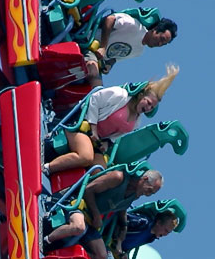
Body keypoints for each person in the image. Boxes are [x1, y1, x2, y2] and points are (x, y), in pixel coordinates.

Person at [44, 65, 179, 176]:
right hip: (80, 126)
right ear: (141, 95)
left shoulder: (136, 121)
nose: (148, 108)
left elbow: (115, 137)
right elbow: (94, 99)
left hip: (96, 141)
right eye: (148, 103)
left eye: (152, 107)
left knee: (102, 174)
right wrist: (93, 129)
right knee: (86, 156)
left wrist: (106, 144)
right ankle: (46, 168)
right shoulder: (120, 95)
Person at [44, 167, 163, 252]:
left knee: (103, 257)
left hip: (89, 218)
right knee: (79, 227)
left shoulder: (134, 195)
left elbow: (122, 212)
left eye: (151, 194)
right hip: (76, 202)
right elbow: (88, 190)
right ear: (145, 178)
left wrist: (122, 233)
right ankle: (45, 241)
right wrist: (96, 215)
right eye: (149, 190)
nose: (147, 195)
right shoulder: (118, 177)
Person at [85, 11, 177, 86]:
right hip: (88, 42)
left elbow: (115, 57)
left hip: (96, 58)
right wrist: (103, 47)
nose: (160, 44)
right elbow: (110, 19)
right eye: (161, 39)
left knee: (92, 85)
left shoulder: (139, 51)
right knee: (94, 76)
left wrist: (109, 65)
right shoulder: (134, 26)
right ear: (155, 29)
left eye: (163, 44)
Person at [108, 206, 182, 259]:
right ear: (158, 223)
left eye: (168, 233)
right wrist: (118, 241)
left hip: (116, 254)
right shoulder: (143, 222)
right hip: (107, 241)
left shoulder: (151, 238)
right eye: (165, 230)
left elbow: (128, 246)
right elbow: (118, 220)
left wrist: (125, 255)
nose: (166, 234)